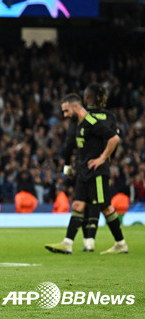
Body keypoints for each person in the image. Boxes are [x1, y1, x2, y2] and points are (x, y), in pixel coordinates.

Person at [46, 94, 128, 255]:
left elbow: (114, 138)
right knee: (77, 205)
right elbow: (70, 147)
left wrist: (102, 158)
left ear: (76, 107)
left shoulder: (92, 122)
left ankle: (121, 243)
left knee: (106, 207)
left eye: (66, 111)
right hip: (84, 172)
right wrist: (70, 168)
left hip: (97, 172)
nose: (65, 115)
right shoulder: (78, 124)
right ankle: (67, 243)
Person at [61, 83, 118, 252]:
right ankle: (73, 242)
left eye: (65, 111)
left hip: (92, 168)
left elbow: (68, 145)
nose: (64, 115)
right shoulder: (110, 117)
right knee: (82, 204)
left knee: (102, 205)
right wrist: (107, 158)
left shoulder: (83, 120)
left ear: (85, 99)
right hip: (90, 168)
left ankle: (112, 242)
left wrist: (67, 166)